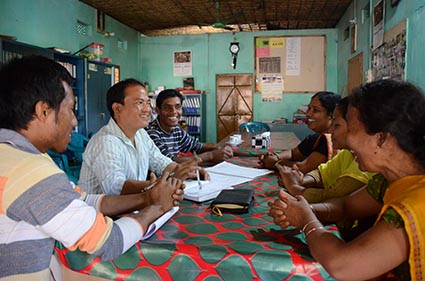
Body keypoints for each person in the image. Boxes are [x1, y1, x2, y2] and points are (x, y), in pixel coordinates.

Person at [0, 56, 184, 280]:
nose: (75, 122)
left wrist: (148, 198)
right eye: (70, 110)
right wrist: (156, 207)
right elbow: (109, 241)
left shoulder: (17, 157)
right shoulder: (30, 172)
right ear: (44, 111)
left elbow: (82, 200)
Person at [268, 79, 425, 280]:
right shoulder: (387, 182)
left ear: (381, 138)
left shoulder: (418, 201)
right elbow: (346, 206)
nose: (345, 140)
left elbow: (343, 265)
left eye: (350, 129)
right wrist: (301, 210)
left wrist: (306, 220)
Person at [79, 80, 209, 195]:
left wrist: (186, 171)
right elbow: (115, 187)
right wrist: (157, 185)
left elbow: (159, 161)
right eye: (140, 103)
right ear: (118, 109)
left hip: (131, 209)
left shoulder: (140, 134)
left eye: (148, 103)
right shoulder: (106, 141)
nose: (148, 110)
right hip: (101, 217)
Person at [276, 97, 374, 203]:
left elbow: (334, 198)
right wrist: (302, 181)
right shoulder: (346, 152)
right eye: (308, 109)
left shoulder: (367, 159)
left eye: (336, 125)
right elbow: (322, 174)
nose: (331, 130)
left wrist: (294, 186)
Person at [259, 91, 341, 174]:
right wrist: (275, 157)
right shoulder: (315, 138)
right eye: (309, 108)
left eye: (315, 110)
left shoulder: (329, 141)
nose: (308, 113)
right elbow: (293, 153)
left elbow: (303, 168)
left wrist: (276, 163)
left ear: (331, 115)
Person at [145, 89, 233, 163]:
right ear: (158, 110)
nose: (173, 112)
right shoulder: (152, 132)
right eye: (167, 108)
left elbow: (197, 146)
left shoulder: (176, 129)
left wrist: (219, 148)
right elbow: (170, 162)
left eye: (178, 107)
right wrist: (211, 155)